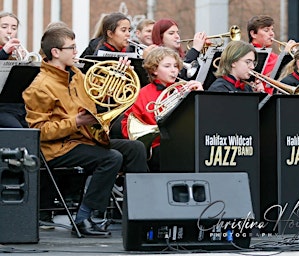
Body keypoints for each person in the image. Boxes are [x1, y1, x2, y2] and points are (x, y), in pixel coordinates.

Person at [22, 26, 148, 237]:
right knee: (110, 158)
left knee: (135, 148)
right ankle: (83, 218)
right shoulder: (39, 86)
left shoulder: (77, 75)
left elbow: (96, 103)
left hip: (83, 139)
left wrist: (118, 76)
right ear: (55, 52)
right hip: (57, 149)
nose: (76, 51)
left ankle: (140, 214)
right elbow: (38, 131)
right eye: (71, 47)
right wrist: (75, 122)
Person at [121, 47, 203, 172]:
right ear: (154, 70)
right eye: (167, 66)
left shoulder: (184, 90)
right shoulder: (142, 94)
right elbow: (127, 126)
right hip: (157, 147)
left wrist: (199, 96)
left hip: (183, 144)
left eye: (175, 66)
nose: (173, 70)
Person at [247, 15, 296, 94]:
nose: (272, 34)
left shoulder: (274, 56)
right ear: (253, 34)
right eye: (266, 30)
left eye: (272, 30)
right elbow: (265, 71)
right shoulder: (247, 54)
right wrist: (285, 54)